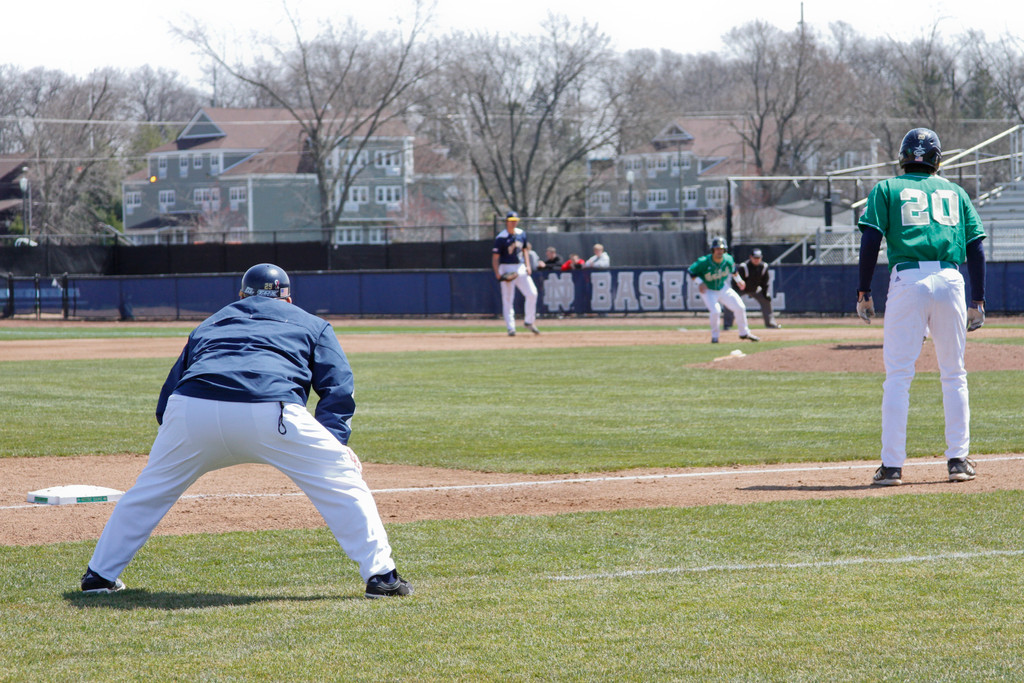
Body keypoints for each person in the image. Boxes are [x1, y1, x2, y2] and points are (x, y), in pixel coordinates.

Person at [79, 264, 413, 599]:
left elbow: (169, 394)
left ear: (241, 296)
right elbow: (338, 389)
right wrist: (336, 445)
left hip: (192, 407)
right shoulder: (312, 323)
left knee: (148, 492)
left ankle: (99, 576)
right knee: (341, 480)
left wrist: (175, 439)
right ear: (288, 298)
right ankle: (382, 577)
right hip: (270, 409)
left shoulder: (211, 322)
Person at [857, 127, 986, 486]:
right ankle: (958, 461)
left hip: (908, 279)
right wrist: (978, 299)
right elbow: (975, 246)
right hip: (949, 279)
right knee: (954, 373)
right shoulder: (955, 191)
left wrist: (863, 290)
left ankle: (893, 466)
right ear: (936, 159)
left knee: (898, 376)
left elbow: (871, 239)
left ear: (903, 157)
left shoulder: (887, 188)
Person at [687, 237, 760, 344]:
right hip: (709, 290)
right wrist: (700, 282)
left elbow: (733, 270)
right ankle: (715, 337)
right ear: (713, 250)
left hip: (722, 287)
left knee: (740, 307)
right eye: (717, 249)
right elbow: (691, 270)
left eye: (721, 249)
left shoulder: (728, 259)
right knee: (716, 311)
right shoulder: (704, 261)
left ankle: (744, 333)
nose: (719, 251)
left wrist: (739, 280)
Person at [492, 211, 540, 336]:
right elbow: (495, 257)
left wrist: (528, 265)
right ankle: (511, 327)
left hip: (520, 266)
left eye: (515, 220)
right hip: (506, 267)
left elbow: (524, 250)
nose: (513, 222)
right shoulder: (501, 237)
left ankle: (529, 321)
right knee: (508, 299)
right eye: (511, 220)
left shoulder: (521, 234)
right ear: (507, 221)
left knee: (532, 293)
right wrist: (497, 273)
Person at [722, 248, 780, 329]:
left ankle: (770, 323)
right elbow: (735, 281)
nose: (756, 260)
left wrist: (765, 293)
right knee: (730, 301)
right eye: (755, 257)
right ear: (750, 257)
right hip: (740, 289)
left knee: (766, 300)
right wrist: (735, 292)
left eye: (758, 258)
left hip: (755, 289)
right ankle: (727, 325)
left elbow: (765, 282)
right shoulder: (744, 267)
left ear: (761, 258)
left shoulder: (764, 266)